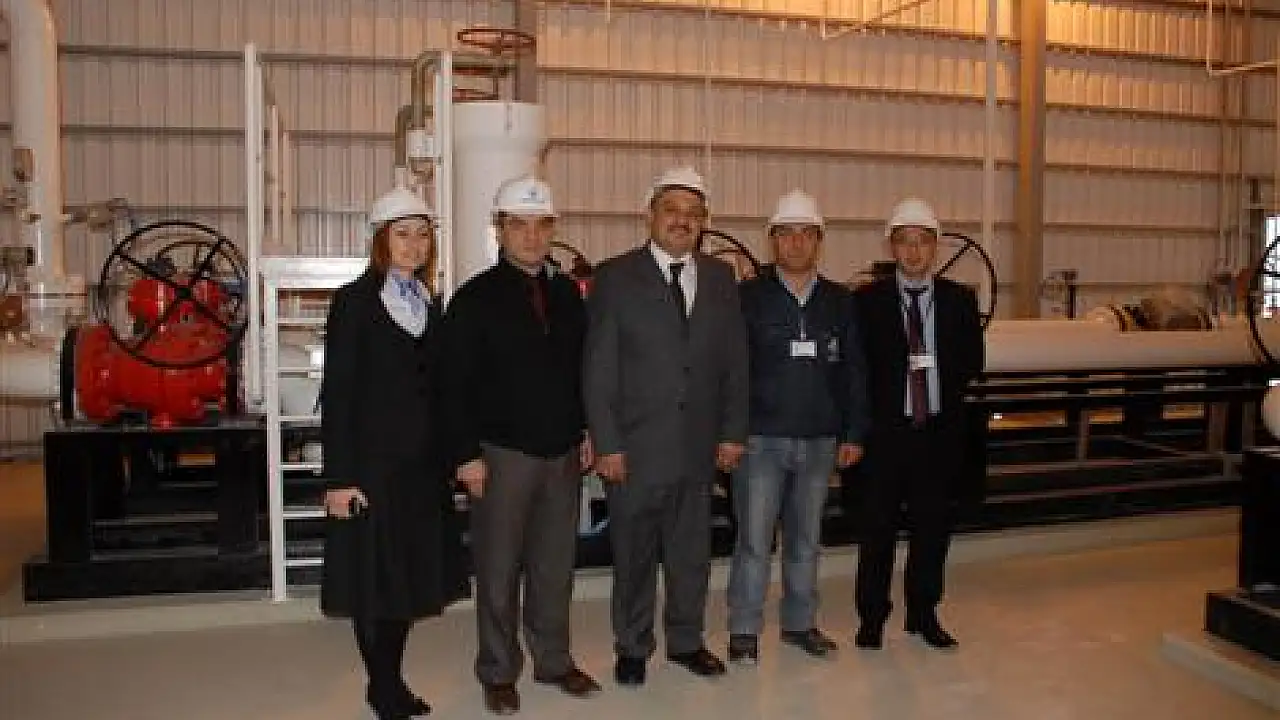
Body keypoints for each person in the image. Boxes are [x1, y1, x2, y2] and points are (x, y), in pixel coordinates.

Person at [439, 175, 599, 715]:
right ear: (500, 230)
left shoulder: (567, 295)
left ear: (553, 229)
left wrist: (585, 431)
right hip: (501, 456)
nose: (531, 236)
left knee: (555, 567)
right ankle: (498, 669)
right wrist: (466, 455)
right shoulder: (474, 299)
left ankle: (553, 661)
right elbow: (452, 384)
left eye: (541, 225)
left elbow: (579, 370)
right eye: (518, 225)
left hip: (561, 453)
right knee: (499, 569)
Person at [583, 166, 749, 687]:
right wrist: (607, 442)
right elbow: (598, 368)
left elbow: (735, 362)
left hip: (698, 447)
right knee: (633, 556)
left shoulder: (721, 279)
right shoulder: (614, 277)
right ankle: (632, 647)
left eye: (693, 213)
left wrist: (732, 432)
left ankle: (686, 642)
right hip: (635, 449)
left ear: (704, 222)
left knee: (690, 556)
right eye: (671, 210)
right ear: (650, 215)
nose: (682, 220)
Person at [320, 185, 469, 719]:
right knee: (373, 584)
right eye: (402, 234)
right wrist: (339, 478)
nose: (414, 244)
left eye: (422, 235)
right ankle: (383, 686)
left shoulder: (429, 303)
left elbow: (442, 389)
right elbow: (338, 393)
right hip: (372, 470)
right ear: (381, 241)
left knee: (404, 581)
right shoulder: (355, 303)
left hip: (421, 472)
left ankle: (389, 678)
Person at [726, 189, 869, 663]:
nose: (796, 242)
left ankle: (800, 624)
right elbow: (730, 370)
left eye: (806, 233)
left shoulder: (839, 301)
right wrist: (730, 432)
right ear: (772, 240)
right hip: (760, 440)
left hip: (820, 441)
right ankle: (744, 630)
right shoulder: (747, 298)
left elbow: (854, 370)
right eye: (786, 233)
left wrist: (853, 432)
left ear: (819, 240)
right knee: (754, 541)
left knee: (806, 540)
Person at [851, 198, 985, 651]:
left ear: (936, 247)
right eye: (904, 242)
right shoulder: (866, 303)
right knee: (877, 531)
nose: (913, 251)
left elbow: (972, 363)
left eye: (922, 242)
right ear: (891, 247)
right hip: (885, 438)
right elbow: (857, 370)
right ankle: (872, 617)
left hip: (938, 436)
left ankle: (923, 614)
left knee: (933, 530)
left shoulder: (959, 301)